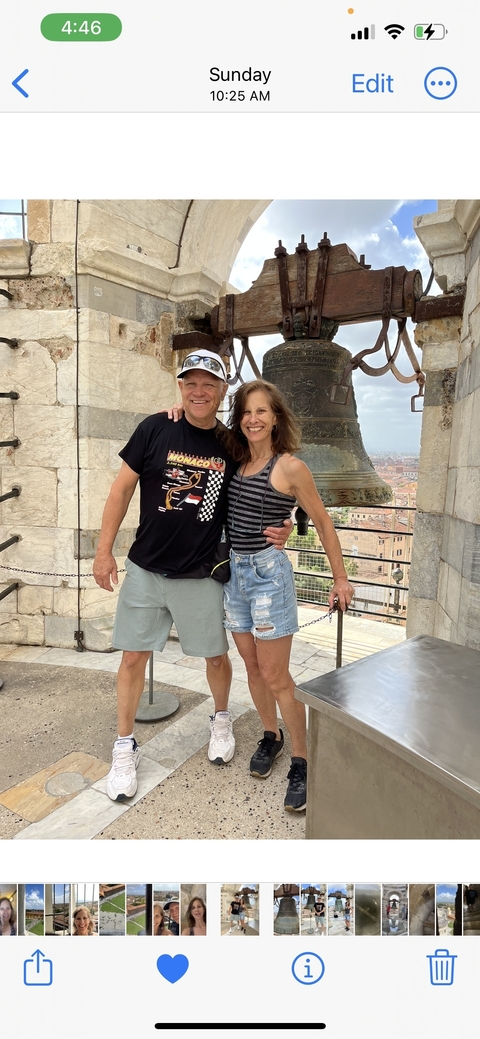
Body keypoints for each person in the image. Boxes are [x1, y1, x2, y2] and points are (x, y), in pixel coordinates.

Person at [93, 351, 290, 802]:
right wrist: (103, 552)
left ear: (223, 391)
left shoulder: (231, 444)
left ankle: (220, 718)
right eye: (190, 383)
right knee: (131, 660)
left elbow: (263, 484)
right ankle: (124, 746)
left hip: (200, 573)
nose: (198, 391)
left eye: (209, 383)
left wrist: (287, 522)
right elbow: (121, 489)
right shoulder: (155, 427)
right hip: (145, 568)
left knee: (215, 659)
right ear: (180, 387)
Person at [222, 379, 354, 811]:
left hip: (267, 575)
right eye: (246, 411)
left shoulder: (290, 467)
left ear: (276, 417)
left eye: (262, 411)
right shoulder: (233, 459)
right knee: (252, 668)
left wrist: (340, 578)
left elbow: (321, 520)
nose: (253, 419)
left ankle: (301, 758)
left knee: (276, 675)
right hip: (233, 575)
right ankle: (270, 736)